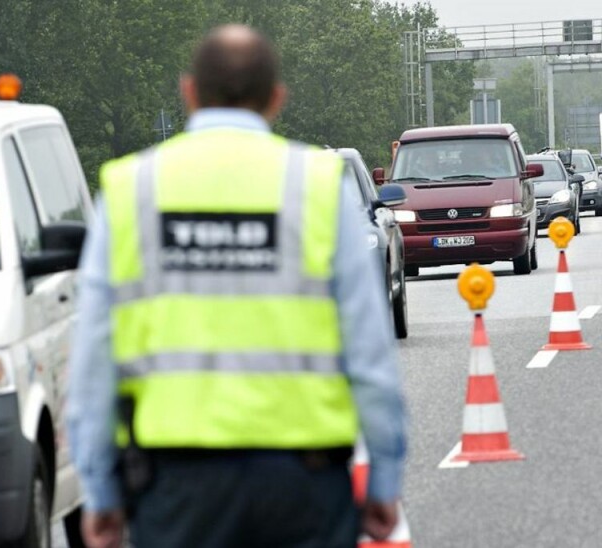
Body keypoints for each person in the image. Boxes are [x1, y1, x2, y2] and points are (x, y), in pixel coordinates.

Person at [66, 24, 406, 548]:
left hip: (175, 485)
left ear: (188, 92)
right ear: (276, 98)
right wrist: (383, 480)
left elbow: (93, 355)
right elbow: (369, 349)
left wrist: (101, 491)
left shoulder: (131, 188)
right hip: (305, 484)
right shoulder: (317, 184)